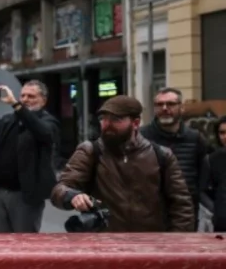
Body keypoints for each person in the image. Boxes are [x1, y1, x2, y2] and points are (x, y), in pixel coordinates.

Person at [52, 95, 195, 232]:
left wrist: (176, 242)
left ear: (136, 123)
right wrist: (73, 196)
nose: (107, 124)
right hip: (104, 243)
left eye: (116, 119)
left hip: (150, 243)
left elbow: (181, 205)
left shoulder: (162, 155)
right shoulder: (90, 150)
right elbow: (61, 188)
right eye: (103, 118)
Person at [0, 82, 59, 233]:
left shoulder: (48, 121)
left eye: (31, 96)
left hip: (25, 195)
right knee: (4, 244)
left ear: (43, 100)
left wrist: (17, 105)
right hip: (1, 192)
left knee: (24, 244)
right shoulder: (9, 119)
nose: (25, 99)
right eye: (22, 96)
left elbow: (42, 132)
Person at [140, 88, 210, 225]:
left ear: (181, 107)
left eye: (170, 104)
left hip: (186, 212)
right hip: (150, 212)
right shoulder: (141, 137)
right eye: (160, 105)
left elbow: (203, 174)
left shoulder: (195, 138)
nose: (165, 108)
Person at [201, 118, 226, 231]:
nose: (225, 136)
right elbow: (202, 190)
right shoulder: (212, 159)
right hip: (222, 223)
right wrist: (216, 209)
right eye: (222, 133)